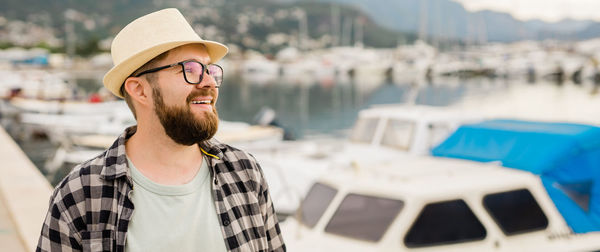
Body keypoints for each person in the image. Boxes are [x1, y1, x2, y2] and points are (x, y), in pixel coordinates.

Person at [36, 8, 285, 252]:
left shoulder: (245, 172)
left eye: (209, 69)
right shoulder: (80, 195)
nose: (209, 82)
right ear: (140, 90)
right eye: (191, 70)